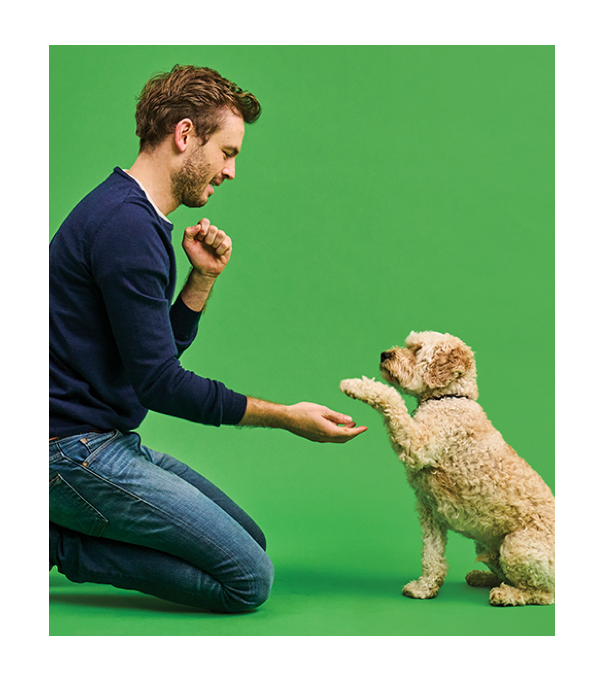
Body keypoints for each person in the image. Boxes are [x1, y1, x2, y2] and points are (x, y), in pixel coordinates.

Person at [49, 65, 367, 612]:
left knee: (251, 543)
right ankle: (59, 545)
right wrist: (287, 417)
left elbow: (147, 361)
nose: (232, 171)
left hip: (105, 437)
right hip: (69, 451)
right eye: (228, 151)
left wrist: (201, 279)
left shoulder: (133, 217)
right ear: (185, 134)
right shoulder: (126, 229)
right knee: (247, 580)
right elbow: (161, 385)